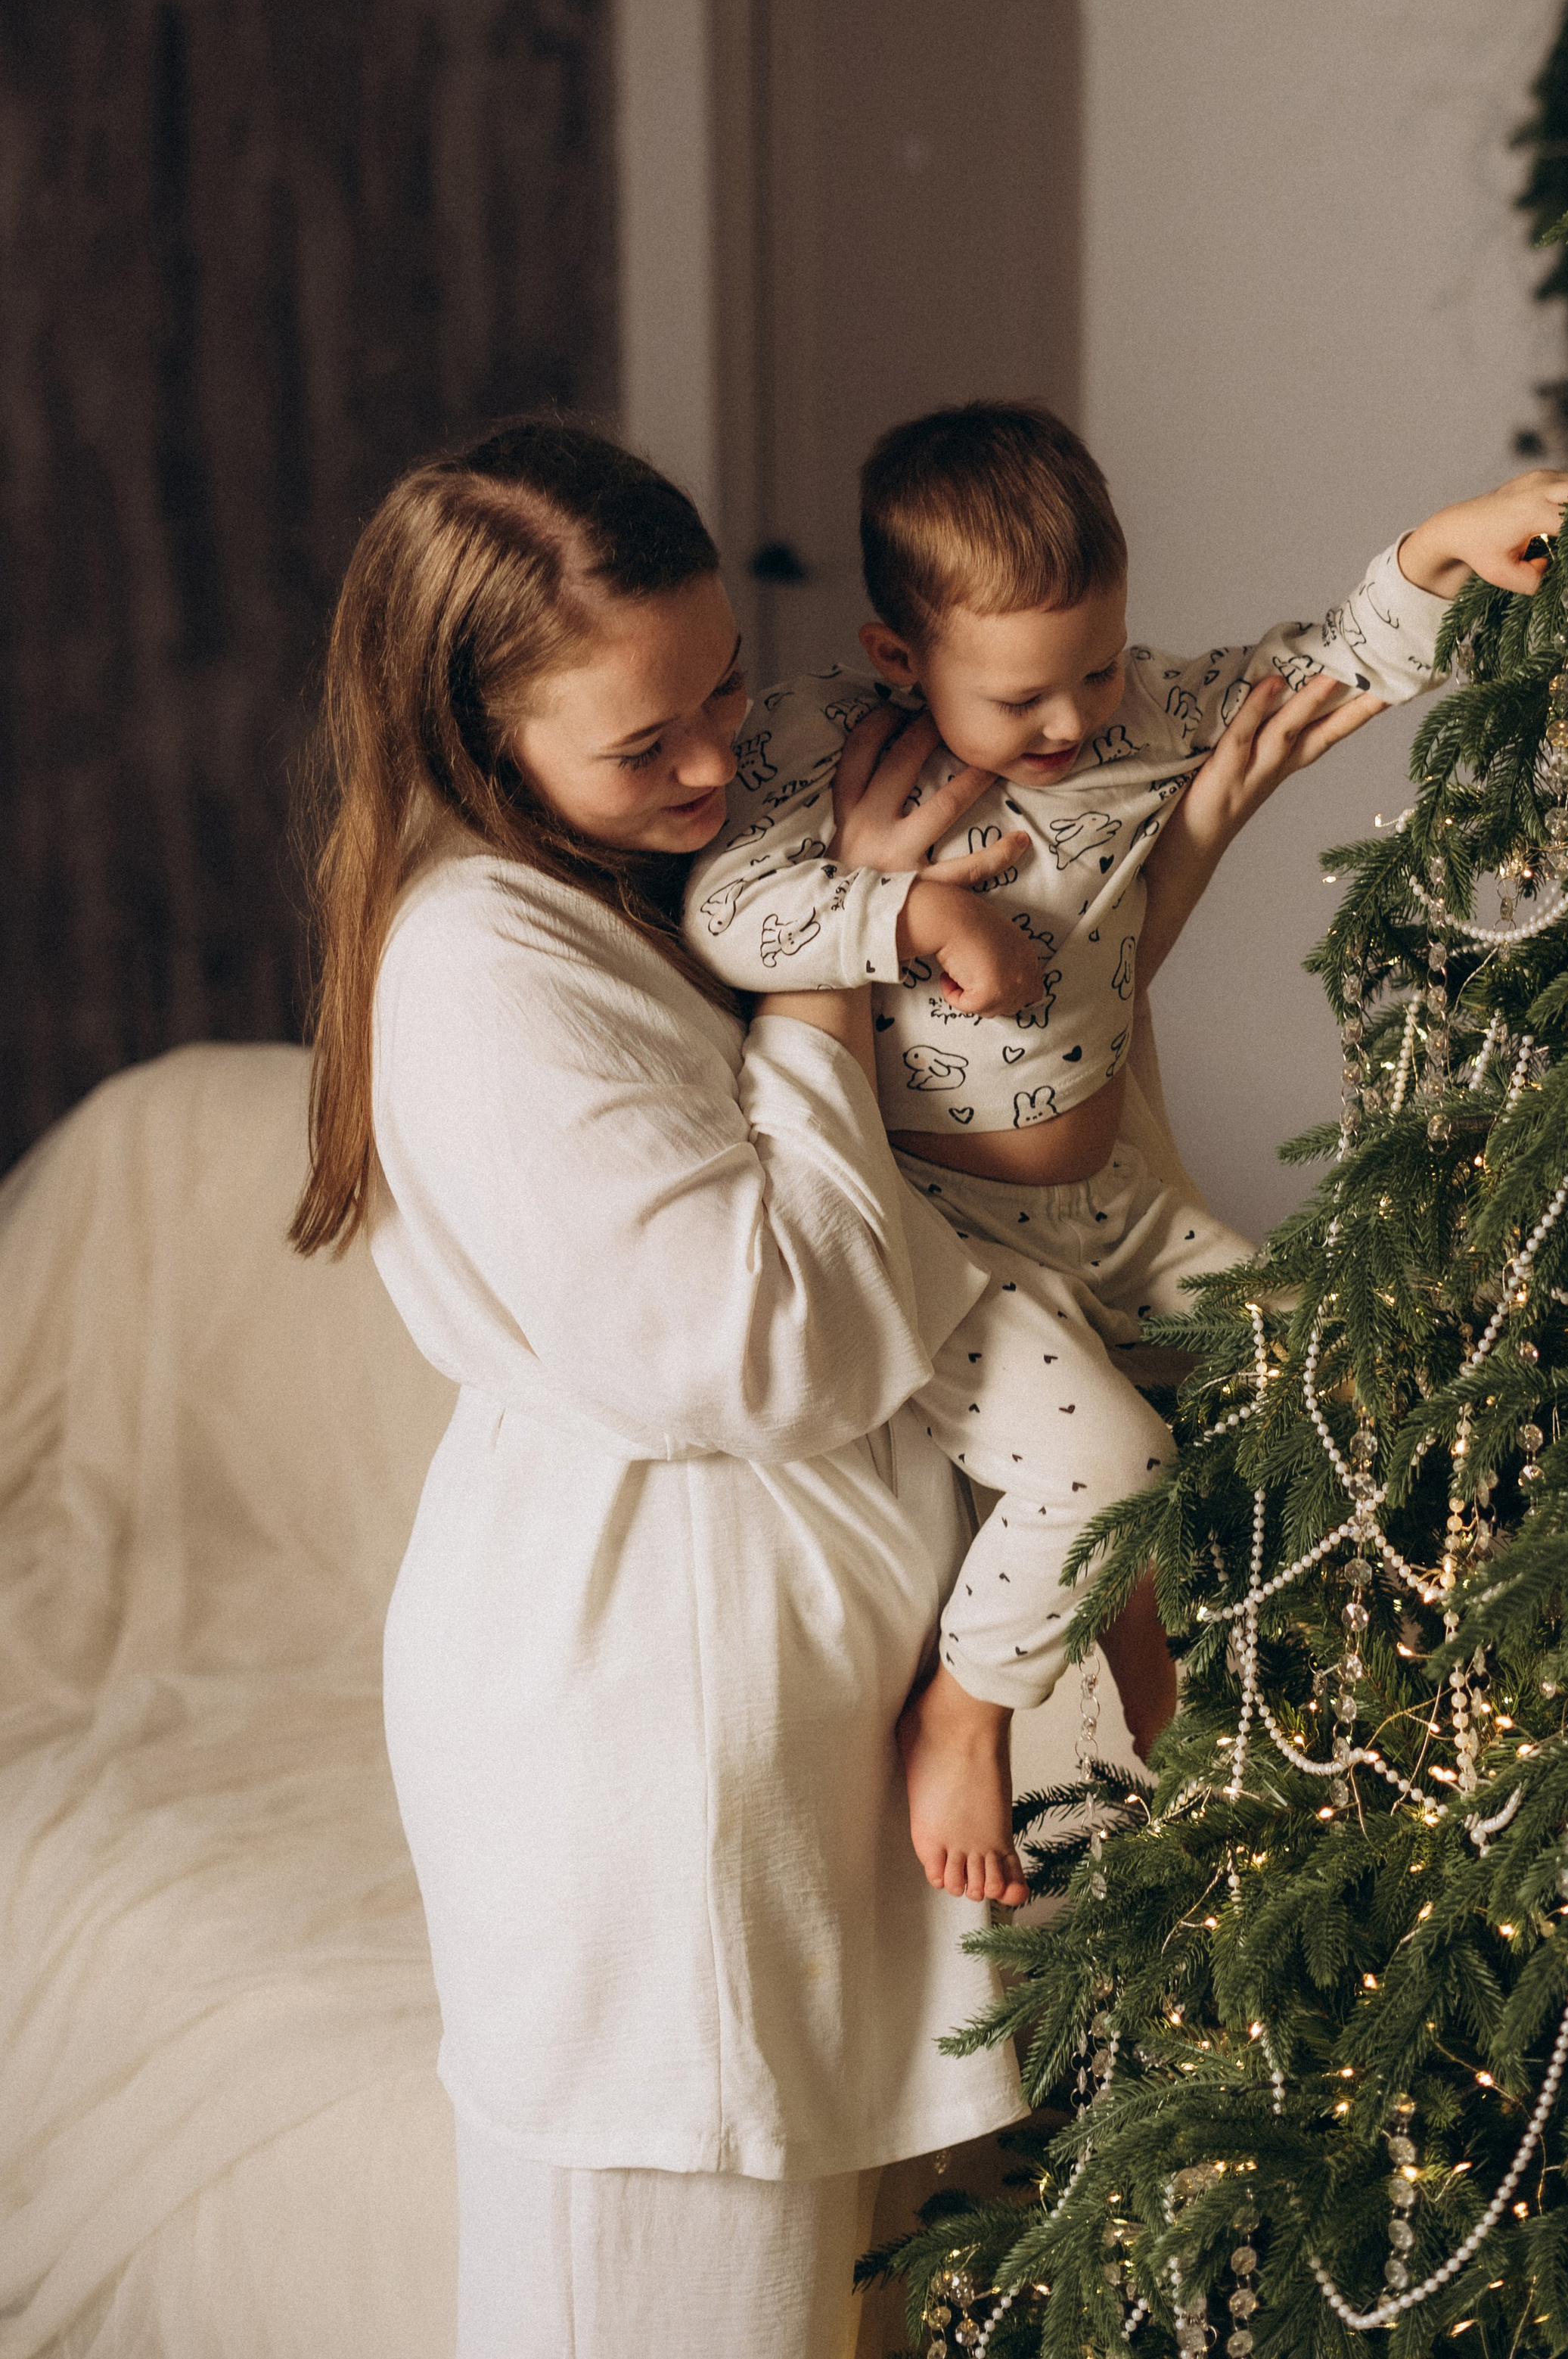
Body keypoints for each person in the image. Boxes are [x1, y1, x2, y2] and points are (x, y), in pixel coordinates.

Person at [287, 413, 1360, 2359]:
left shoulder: (621, 863)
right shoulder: (479, 966)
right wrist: (829, 964)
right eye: (647, 740)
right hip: (657, 1749)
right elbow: (771, 1339)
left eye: (717, 693)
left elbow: (985, 1080)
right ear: (475, 729)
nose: (711, 763)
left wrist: (1162, 828)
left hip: (797, 1748)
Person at [682, 405, 1568, 1906]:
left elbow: (1320, 665)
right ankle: (964, 1709)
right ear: (897, 655)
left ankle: (1333, 1694)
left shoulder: (1141, 714)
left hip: (1115, 1201)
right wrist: (905, 913)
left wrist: (1433, 547)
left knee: (1338, 1344)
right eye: (1022, 693)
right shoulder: (824, 743)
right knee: (1105, 1463)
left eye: (1095, 664)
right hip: (946, 1234)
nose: (1069, 720)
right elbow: (727, 912)